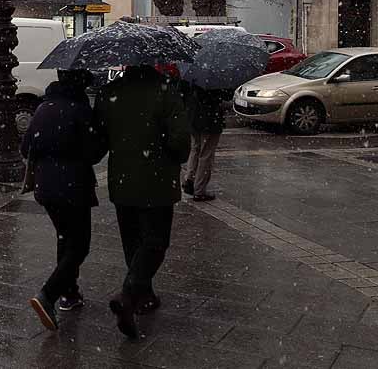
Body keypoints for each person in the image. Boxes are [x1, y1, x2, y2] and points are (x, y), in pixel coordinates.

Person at [95, 64, 190, 339]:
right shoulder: (165, 91)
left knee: (133, 242)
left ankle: (144, 296)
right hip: (157, 182)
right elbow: (181, 142)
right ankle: (128, 295)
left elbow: (99, 140)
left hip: (122, 182)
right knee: (155, 242)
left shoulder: (110, 92)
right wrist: (166, 148)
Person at [21, 69, 107, 332]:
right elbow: (93, 153)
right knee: (79, 245)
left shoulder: (43, 107)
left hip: (46, 188)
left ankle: (70, 293)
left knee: (65, 237)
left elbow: (26, 148)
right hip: (74, 187)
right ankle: (49, 294)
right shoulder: (80, 110)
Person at [183, 85, 225, 201]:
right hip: (210, 119)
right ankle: (199, 189)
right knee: (206, 154)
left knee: (195, 149)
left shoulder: (193, 75)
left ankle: (189, 180)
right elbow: (224, 95)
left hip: (194, 116)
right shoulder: (216, 79)